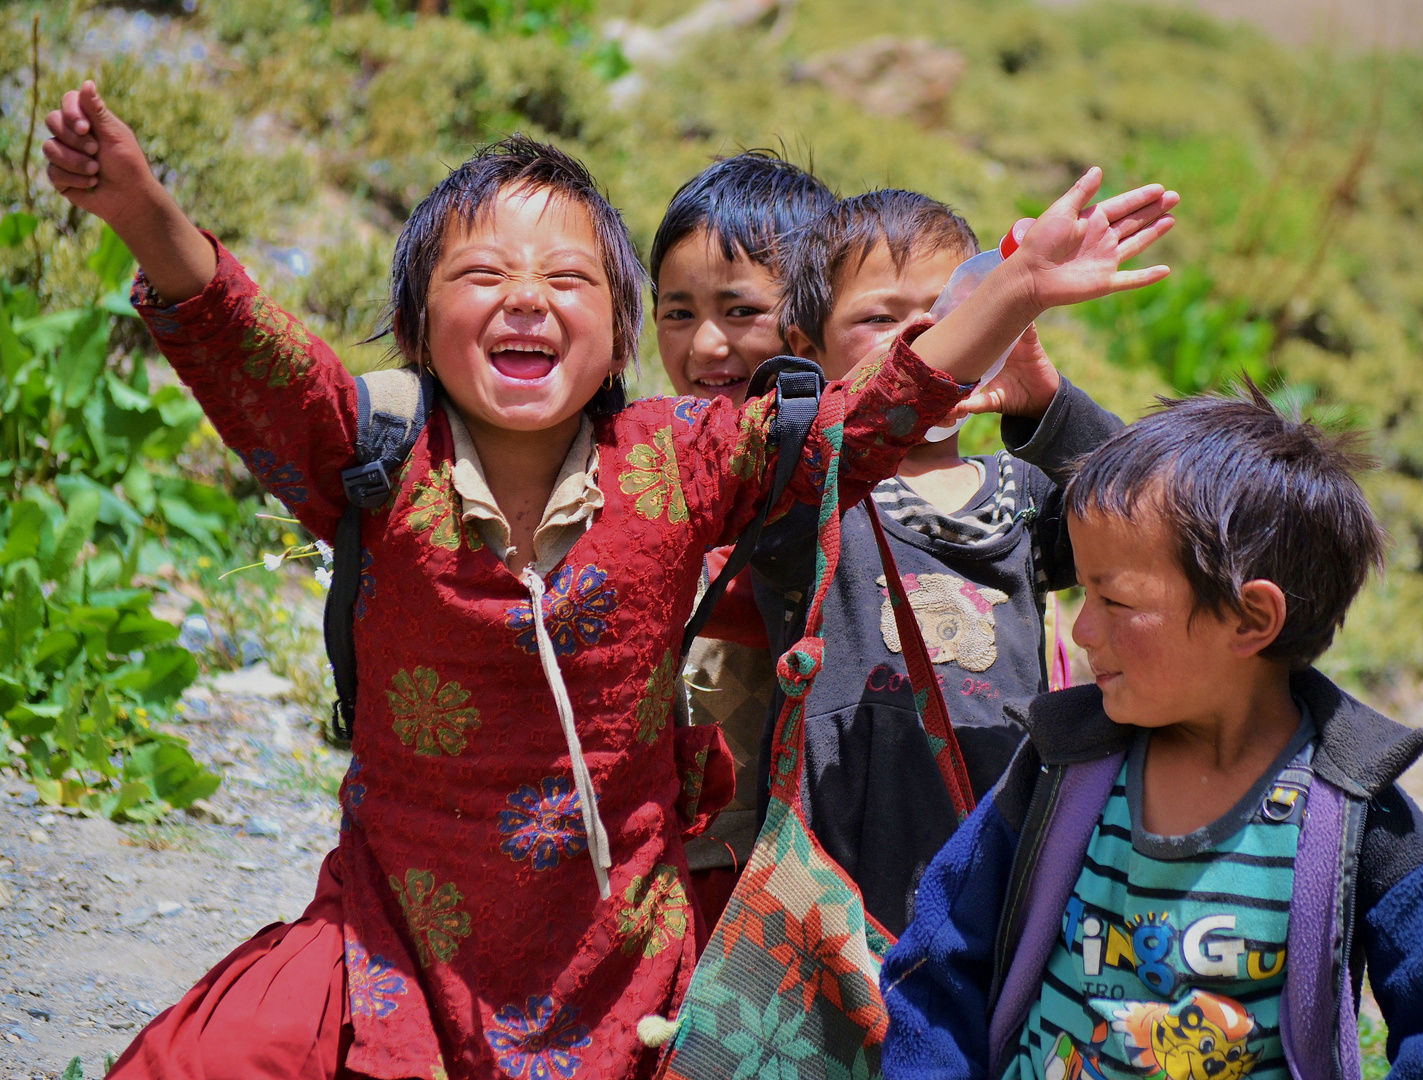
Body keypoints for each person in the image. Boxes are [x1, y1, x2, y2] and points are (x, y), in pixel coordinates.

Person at [42, 78, 1177, 1080]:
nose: (526, 296)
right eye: (481, 272)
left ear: (615, 325)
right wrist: (141, 210)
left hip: (626, 959)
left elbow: (867, 416)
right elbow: (245, 343)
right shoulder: (371, 457)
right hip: (393, 933)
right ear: (417, 318)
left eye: (568, 276)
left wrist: (1018, 286)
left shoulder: (682, 461)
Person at [880, 387, 1423, 1080]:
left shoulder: (1356, 814)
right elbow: (939, 958)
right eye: (1081, 596)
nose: (1083, 630)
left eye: (1114, 600)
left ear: (1250, 620)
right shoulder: (1061, 768)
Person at [757, 188, 1175, 934]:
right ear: (805, 343)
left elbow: (1146, 520)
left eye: (961, 310)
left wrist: (1044, 403)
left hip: (999, 860)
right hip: (837, 883)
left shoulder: (1020, 490)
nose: (926, 336)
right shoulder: (813, 489)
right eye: (881, 319)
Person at [648, 151, 835, 929]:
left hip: (793, 879)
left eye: (740, 311)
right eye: (679, 313)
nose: (706, 349)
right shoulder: (647, 463)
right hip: (674, 869)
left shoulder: (841, 477)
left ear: (811, 325)